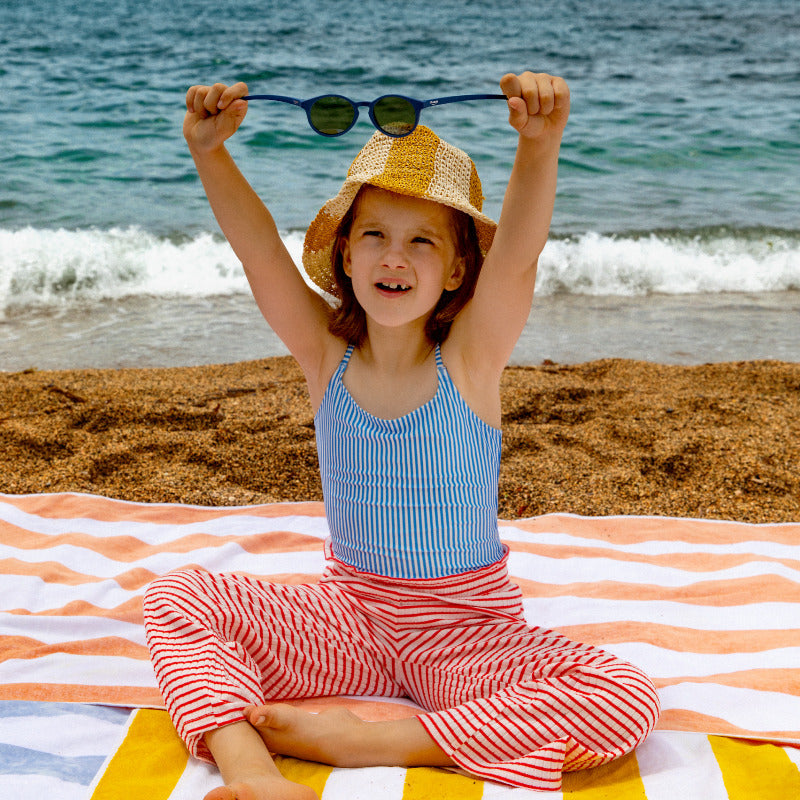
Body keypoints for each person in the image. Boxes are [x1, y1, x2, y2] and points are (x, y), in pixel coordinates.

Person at [143, 72, 660, 800]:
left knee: (624, 696)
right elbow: (258, 249)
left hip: (465, 632)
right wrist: (210, 153)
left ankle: (384, 739)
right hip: (348, 619)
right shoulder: (325, 352)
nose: (394, 257)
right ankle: (252, 770)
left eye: (421, 242)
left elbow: (517, 254)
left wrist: (539, 146)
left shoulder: (470, 358)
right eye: (376, 236)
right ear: (345, 255)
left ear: (454, 270)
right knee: (176, 598)